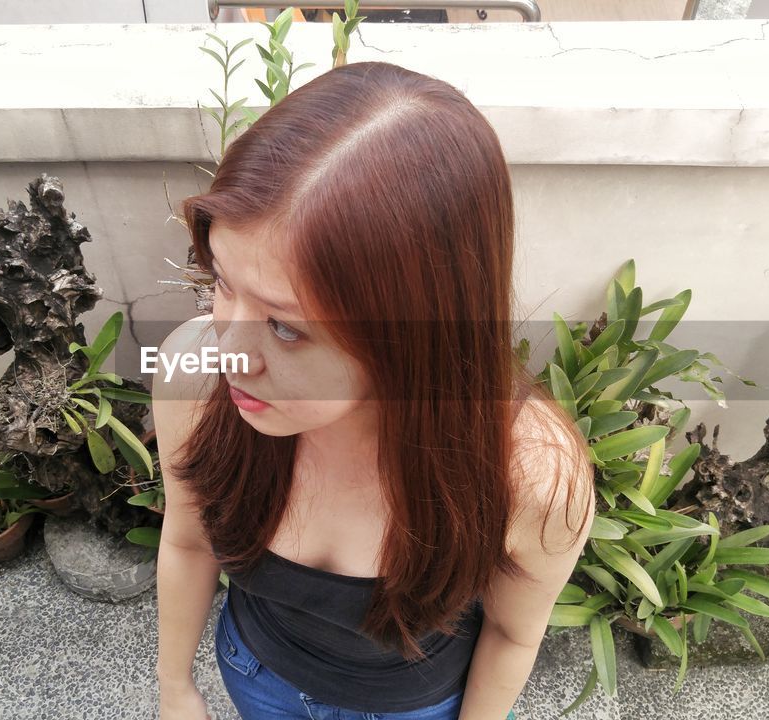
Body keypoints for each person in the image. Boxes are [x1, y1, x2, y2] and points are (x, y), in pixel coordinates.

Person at [154, 61, 596, 720]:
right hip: (254, 673)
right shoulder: (191, 374)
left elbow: (512, 632)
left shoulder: (529, 474)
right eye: (220, 280)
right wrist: (175, 688)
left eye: (285, 326)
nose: (230, 354)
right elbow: (187, 541)